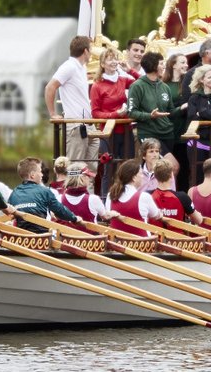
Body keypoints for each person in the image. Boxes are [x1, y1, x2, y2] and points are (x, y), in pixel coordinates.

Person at [45, 34, 100, 173]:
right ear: (86, 51)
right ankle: (74, 194)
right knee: (75, 167)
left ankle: (88, 194)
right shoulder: (69, 66)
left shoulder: (81, 67)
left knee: (92, 168)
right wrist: (53, 114)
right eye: (91, 48)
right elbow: (50, 87)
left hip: (88, 124)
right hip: (76, 124)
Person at [126, 51, 181, 169]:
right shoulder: (137, 86)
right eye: (161, 63)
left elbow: (170, 111)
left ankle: (165, 188)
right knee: (173, 167)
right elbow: (131, 112)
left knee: (162, 170)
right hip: (149, 134)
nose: (164, 66)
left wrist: (183, 108)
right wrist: (150, 115)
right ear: (153, 65)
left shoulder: (164, 87)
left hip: (167, 134)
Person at [90, 46, 135, 190]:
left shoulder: (123, 80)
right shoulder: (97, 86)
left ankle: (127, 199)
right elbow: (95, 113)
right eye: (110, 59)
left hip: (126, 130)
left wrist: (130, 70)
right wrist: (115, 114)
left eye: (115, 58)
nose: (114, 62)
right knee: (108, 170)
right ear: (102, 64)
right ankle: (105, 202)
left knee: (129, 168)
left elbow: (143, 83)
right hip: (108, 133)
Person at [9, 156, 83, 232]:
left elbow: (9, 214)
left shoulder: (14, 193)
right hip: (41, 239)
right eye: (40, 171)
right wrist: (74, 218)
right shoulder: (44, 191)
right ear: (32, 175)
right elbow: (60, 210)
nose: (42, 175)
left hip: (19, 238)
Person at [106, 159, 162, 236]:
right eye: (141, 174)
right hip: (141, 244)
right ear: (134, 178)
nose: (142, 177)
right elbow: (156, 215)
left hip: (117, 244)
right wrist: (160, 213)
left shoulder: (110, 195)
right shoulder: (144, 197)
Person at [149, 158, 201, 227]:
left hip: (154, 236)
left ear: (155, 176)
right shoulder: (183, 197)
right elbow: (199, 220)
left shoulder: (148, 196)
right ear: (171, 175)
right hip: (178, 237)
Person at [165, 52, 192, 170]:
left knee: (184, 167)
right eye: (182, 62)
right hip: (169, 130)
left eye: (186, 63)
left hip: (184, 130)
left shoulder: (189, 84)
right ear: (173, 65)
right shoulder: (164, 85)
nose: (186, 65)